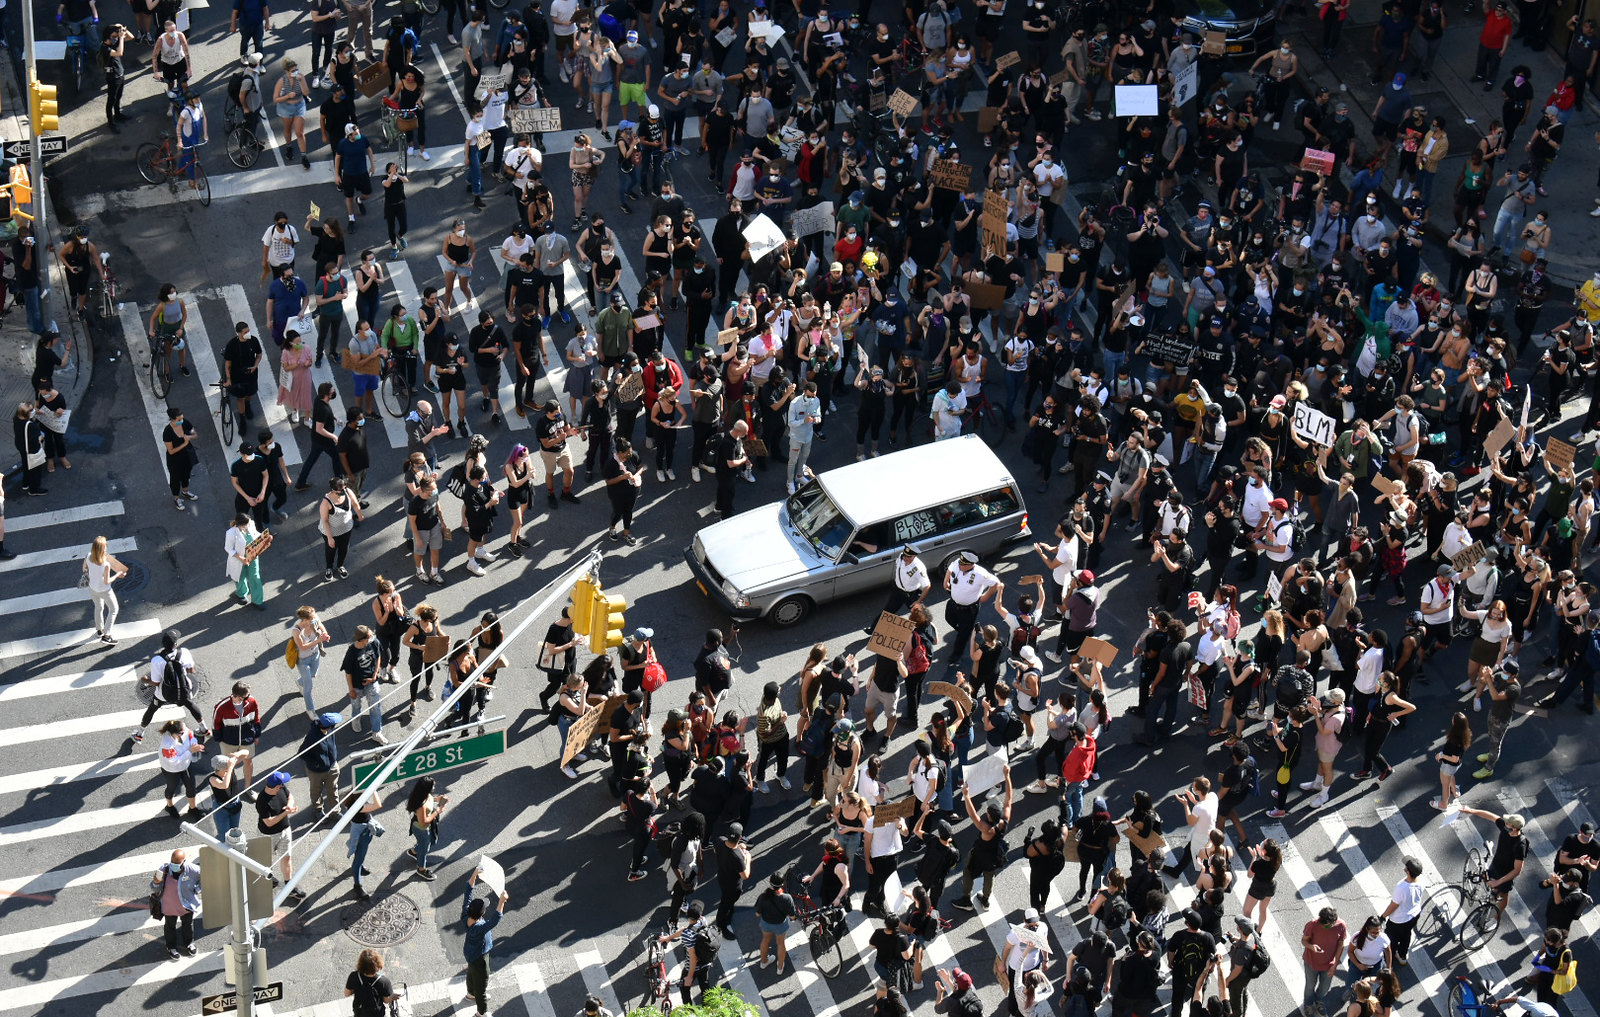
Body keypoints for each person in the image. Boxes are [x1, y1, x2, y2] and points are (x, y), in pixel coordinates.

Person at [132, 629, 207, 742]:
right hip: (184, 689)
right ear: (175, 644)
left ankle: (139, 734)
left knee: (152, 709)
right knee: (191, 705)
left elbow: (156, 682)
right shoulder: (184, 652)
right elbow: (191, 670)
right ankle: (204, 729)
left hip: (163, 693)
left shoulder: (157, 660)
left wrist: (145, 680)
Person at [462, 869, 509, 1017]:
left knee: (471, 973)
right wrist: (502, 901)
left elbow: (468, 892)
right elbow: (495, 919)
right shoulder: (480, 928)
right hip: (479, 956)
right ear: (480, 915)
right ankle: (481, 1012)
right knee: (481, 982)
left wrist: (474, 875)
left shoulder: (465, 915)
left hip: (470, 953)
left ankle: (470, 994)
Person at [257, 770, 307, 902]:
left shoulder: (281, 788)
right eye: (282, 784)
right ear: (277, 786)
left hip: (285, 830)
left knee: (287, 858)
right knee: (266, 861)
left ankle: (289, 887)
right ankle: (267, 879)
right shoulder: (262, 801)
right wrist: (286, 813)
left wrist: (289, 806)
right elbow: (269, 822)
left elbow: (290, 796)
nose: (284, 786)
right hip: (268, 835)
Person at [150, 849, 201, 960]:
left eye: (177, 864)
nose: (174, 866)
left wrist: (197, 889)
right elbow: (154, 888)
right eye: (173, 863)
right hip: (169, 905)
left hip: (186, 905)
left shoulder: (192, 869)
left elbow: (204, 877)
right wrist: (156, 882)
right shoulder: (164, 870)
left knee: (187, 925)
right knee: (170, 927)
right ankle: (171, 947)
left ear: (184, 862)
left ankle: (189, 943)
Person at [81, 535, 128, 643]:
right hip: (105, 590)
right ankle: (107, 635)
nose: (106, 548)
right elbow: (107, 581)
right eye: (105, 547)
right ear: (102, 549)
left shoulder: (88, 556)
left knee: (98, 607)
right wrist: (118, 575)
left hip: (92, 588)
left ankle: (99, 631)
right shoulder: (105, 564)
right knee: (113, 609)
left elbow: (84, 569)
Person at [1302, 906, 1348, 1016]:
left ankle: (1319, 1002)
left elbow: (1341, 944)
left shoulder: (1341, 925)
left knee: (1324, 988)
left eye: (1328, 926)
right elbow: (1304, 941)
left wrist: (1335, 964)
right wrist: (1311, 946)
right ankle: (1308, 1004)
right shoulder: (1312, 924)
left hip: (1329, 964)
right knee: (1310, 986)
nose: (1326, 928)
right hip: (1311, 962)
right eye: (1323, 925)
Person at [157, 718, 206, 818]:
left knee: (191, 787)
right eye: (183, 732)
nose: (186, 731)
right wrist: (190, 751)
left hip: (185, 765)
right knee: (171, 788)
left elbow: (191, 735)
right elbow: (175, 761)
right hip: (172, 770)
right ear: (177, 733)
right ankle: (169, 806)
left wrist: (194, 743)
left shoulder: (183, 730)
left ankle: (192, 808)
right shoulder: (167, 745)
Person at [407, 775, 448, 881]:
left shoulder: (424, 795)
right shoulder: (422, 806)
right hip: (422, 830)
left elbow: (430, 799)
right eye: (432, 786)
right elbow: (423, 822)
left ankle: (414, 851)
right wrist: (437, 811)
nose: (434, 787)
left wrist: (437, 799)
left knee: (428, 843)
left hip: (424, 828)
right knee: (425, 849)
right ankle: (421, 869)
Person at [345, 948, 400, 1015]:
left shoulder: (354, 976)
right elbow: (386, 1000)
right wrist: (392, 997)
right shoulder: (384, 982)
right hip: (376, 1013)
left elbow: (347, 993)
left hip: (360, 1012)